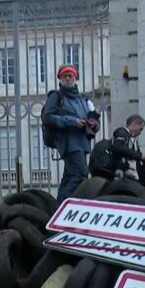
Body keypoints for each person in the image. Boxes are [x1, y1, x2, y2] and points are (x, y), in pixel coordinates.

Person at [42, 64, 99, 204]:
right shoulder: (56, 96)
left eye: (70, 76)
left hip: (82, 143)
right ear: (60, 79)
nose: (68, 78)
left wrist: (93, 124)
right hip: (69, 143)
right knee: (80, 174)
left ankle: (58, 206)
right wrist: (72, 122)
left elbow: (95, 118)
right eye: (65, 76)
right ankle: (64, 206)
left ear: (75, 78)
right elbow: (47, 117)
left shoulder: (84, 99)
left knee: (69, 177)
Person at [110, 114, 145, 181]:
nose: (140, 132)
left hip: (130, 176)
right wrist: (141, 156)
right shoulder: (122, 132)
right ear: (134, 124)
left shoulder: (132, 138)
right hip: (122, 175)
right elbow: (118, 147)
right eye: (140, 129)